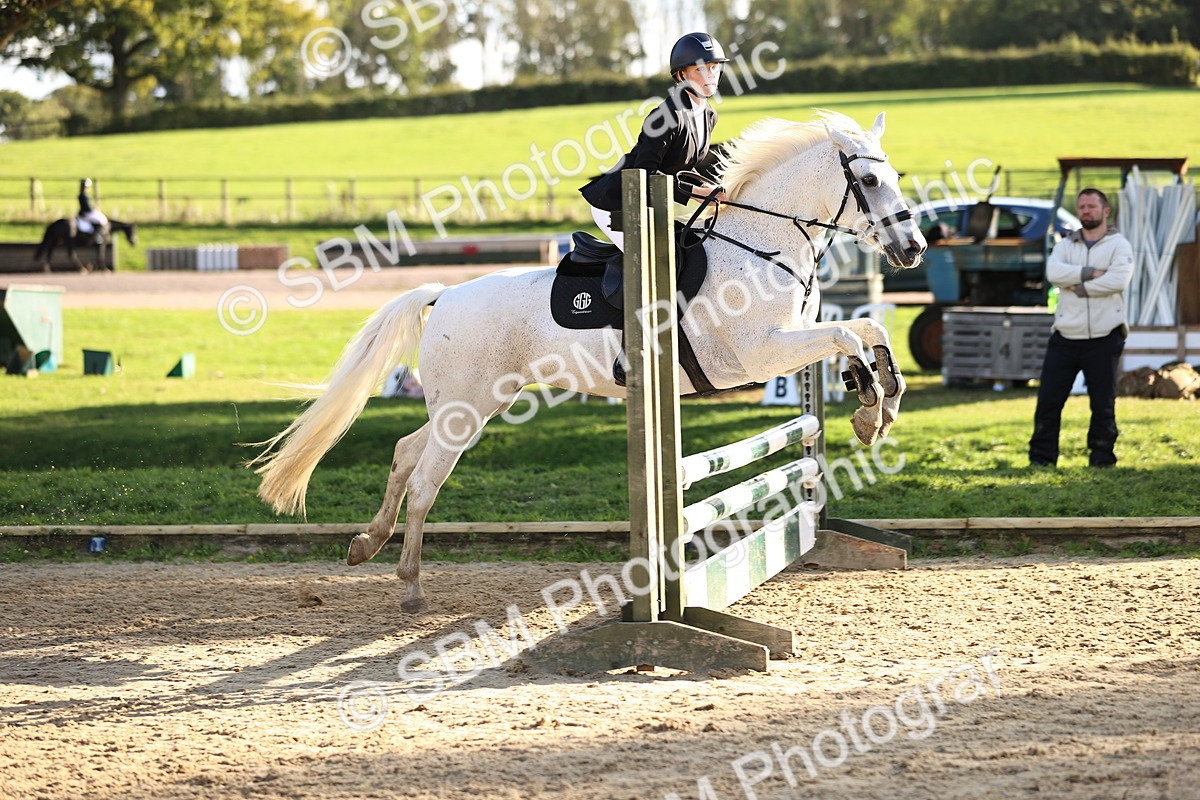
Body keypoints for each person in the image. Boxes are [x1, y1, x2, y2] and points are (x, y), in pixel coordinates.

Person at [579, 32, 729, 250]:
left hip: (649, 204)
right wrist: (695, 192)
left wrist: (708, 188)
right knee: (650, 263)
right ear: (680, 76)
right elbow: (644, 172)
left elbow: (682, 166)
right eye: (700, 69)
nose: (711, 75)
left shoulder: (709, 115)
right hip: (618, 202)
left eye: (714, 67)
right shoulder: (665, 117)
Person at [1029, 188, 1133, 467]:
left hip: (1104, 337)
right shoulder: (1065, 245)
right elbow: (1054, 274)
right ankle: (1041, 459)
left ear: (1105, 211)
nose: (1086, 211)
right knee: (1048, 402)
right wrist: (1090, 274)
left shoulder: (1120, 245)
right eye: (1082, 207)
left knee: (1103, 403)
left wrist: (1078, 287)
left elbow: (1117, 282)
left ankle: (1102, 458)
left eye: (1091, 206)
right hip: (1065, 336)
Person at [76, 178, 108, 243]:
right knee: (100, 221)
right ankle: (96, 236)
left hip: (85, 212)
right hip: (85, 213)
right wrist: (93, 209)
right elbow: (86, 207)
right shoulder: (83, 195)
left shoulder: (83, 195)